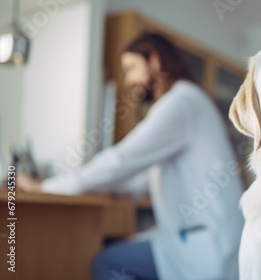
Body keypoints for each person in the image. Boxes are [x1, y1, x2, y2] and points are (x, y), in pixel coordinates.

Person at [17, 32, 245, 280]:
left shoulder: (180, 102)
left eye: (131, 68)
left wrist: (44, 187)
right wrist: (113, 187)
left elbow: (120, 161)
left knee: (107, 263)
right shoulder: (186, 100)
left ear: (154, 61)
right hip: (202, 240)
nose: (127, 80)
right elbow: (141, 176)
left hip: (207, 246)